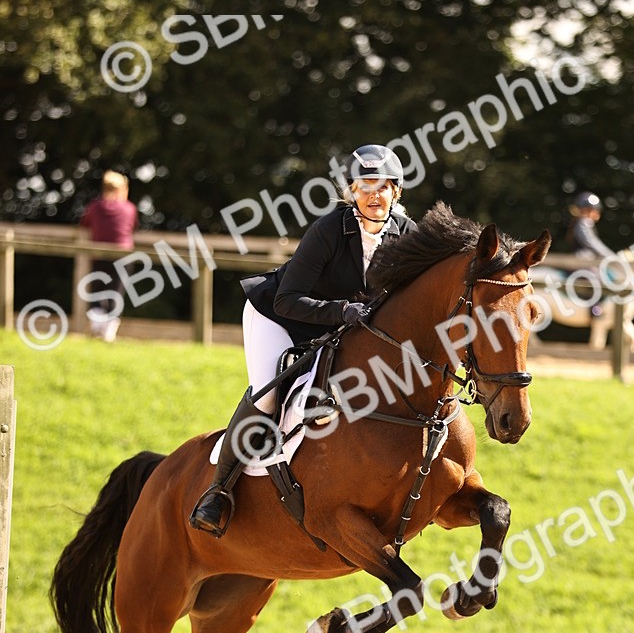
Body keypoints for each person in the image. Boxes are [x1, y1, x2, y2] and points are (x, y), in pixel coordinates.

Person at [190, 144, 415, 536]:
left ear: (396, 192)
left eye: (384, 186)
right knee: (268, 395)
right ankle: (218, 491)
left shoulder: (408, 235)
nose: (374, 194)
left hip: (341, 325)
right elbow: (287, 299)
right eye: (366, 186)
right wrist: (342, 311)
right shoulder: (329, 230)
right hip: (278, 315)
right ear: (351, 192)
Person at [80, 170, 138, 342]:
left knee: (97, 290)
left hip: (99, 254)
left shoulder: (95, 207)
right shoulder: (129, 208)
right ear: (123, 190)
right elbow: (133, 227)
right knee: (116, 291)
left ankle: (97, 327)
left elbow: (84, 224)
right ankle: (108, 333)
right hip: (122, 254)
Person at [567, 191, 612, 317]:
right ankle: (595, 307)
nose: (598, 213)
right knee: (596, 275)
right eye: (595, 210)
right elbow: (592, 243)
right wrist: (610, 256)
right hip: (583, 260)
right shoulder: (583, 223)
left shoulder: (582, 223)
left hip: (584, 258)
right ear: (587, 210)